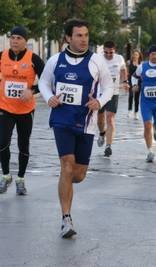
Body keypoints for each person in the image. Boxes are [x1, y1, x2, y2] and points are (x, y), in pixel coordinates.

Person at [38, 19, 113, 237]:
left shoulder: (96, 61)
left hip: (87, 122)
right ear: (68, 38)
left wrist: (99, 102)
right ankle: (66, 219)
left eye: (86, 35)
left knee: (78, 175)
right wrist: (49, 97)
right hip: (61, 120)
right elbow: (43, 82)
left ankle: (65, 182)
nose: (84, 39)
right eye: (79, 35)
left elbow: (109, 87)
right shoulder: (55, 60)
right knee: (67, 166)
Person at [0, 26, 45, 196]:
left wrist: (32, 90)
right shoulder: (2, 56)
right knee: (2, 141)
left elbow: (47, 80)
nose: (15, 41)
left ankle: (20, 179)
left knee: (23, 145)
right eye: (12, 38)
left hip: (26, 110)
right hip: (5, 107)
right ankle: (6, 175)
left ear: (26, 41)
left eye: (19, 38)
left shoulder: (33, 59)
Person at [97, 40, 129, 157]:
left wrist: (125, 81)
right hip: (100, 93)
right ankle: (101, 133)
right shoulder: (98, 59)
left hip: (113, 92)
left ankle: (108, 146)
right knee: (100, 119)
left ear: (114, 51)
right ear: (103, 50)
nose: (108, 55)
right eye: (106, 52)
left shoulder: (119, 58)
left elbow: (123, 69)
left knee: (110, 118)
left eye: (110, 53)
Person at [126, 49, 143, 119]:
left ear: (139, 56)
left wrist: (138, 65)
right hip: (130, 80)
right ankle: (129, 110)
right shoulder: (129, 62)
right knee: (130, 95)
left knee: (137, 97)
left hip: (138, 81)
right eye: (134, 54)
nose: (135, 56)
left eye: (136, 55)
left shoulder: (141, 63)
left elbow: (142, 72)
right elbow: (125, 69)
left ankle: (136, 112)